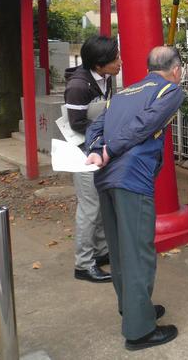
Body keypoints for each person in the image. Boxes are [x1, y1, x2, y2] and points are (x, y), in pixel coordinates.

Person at [84, 46, 185, 351]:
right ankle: (139, 331)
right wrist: (109, 150)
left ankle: (132, 309)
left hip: (106, 177)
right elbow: (146, 125)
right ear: (176, 69)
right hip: (132, 178)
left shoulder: (125, 92)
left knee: (118, 250)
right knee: (139, 252)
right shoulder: (171, 90)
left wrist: (95, 149)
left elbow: (95, 126)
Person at [64, 35, 121, 283]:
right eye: (114, 59)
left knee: (99, 203)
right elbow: (76, 124)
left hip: (97, 149)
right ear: (99, 64)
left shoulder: (106, 78)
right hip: (82, 152)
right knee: (89, 208)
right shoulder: (78, 86)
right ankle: (84, 264)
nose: (120, 62)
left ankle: (99, 252)